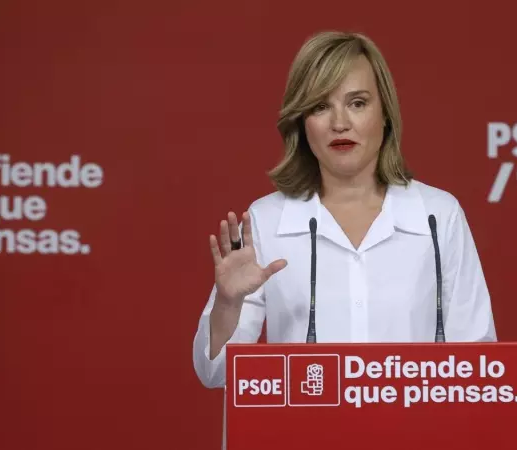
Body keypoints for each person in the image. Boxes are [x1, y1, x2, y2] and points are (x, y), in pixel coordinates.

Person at [192, 30, 496, 389]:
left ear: (384, 113)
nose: (340, 123)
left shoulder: (437, 216)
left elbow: (478, 368)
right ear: (302, 123)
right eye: (321, 106)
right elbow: (215, 376)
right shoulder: (265, 221)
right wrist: (228, 304)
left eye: (357, 103)